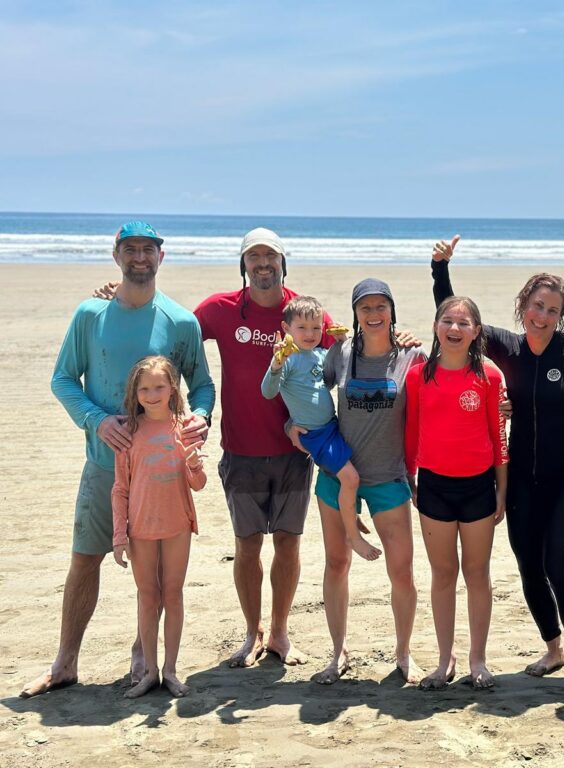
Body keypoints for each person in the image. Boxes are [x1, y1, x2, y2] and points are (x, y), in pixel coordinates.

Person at [22, 221, 214, 698]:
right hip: (103, 467)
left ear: (161, 257)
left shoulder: (181, 321)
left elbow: (202, 385)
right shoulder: (90, 314)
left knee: (159, 578)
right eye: (131, 249)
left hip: (162, 476)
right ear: (116, 256)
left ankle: (143, 656)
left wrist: (201, 417)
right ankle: (65, 662)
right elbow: (63, 379)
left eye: (148, 249)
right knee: (85, 560)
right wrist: (97, 420)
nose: (140, 258)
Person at [431, 236, 564, 699]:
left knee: (559, 567)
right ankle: (553, 649)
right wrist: (440, 268)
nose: (542, 315)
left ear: (561, 316)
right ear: (524, 304)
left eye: (552, 310)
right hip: (523, 476)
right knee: (529, 566)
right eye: (537, 305)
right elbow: (455, 319)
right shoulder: (506, 347)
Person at [193, 228, 337, 668]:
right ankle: (251, 632)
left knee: (289, 544)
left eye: (270, 256)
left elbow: (353, 352)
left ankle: (279, 632)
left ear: (282, 263)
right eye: (253, 256)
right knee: (248, 545)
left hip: (295, 452)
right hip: (241, 451)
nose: (262, 264)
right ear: (243, 264)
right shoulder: (220, 310)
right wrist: (117, 299)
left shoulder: (304, 313)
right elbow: (174, 334)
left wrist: (398, 338)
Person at [292, 279, 425, 685]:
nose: (373, 314)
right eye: (365, 307)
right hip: (338, 474)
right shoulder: (341, 352)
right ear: (355, 313)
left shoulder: (412, 355)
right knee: (336, 563)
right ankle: (338, 653)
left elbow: (440, 398)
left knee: (401, 572)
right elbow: (307, 391)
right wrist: (291, 428)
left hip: (388, 478)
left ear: (392, 310)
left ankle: (404, 654)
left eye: (381, 306)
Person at [405, 296, 508, 690]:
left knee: (477, 573)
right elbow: (410, 431)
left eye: (464, 323)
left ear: (476, 332)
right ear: (436, 326)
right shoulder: (418, 376)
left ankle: (477, 659)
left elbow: (499, 438)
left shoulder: (489, 376)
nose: (455, 328)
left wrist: (502, 488)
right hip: (434, 486)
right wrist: (409, 475)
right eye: (447, 321)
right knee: (443, 573)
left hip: (479, 486)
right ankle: (444, 658)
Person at [112, 356, 207, 698]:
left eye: (159, 387)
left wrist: (193, 463)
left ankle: (170, 671)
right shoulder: (128, 432)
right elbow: (120, 488)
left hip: (177, 523)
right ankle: (150, 672)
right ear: (134, 393)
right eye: (144, 389)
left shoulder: (185, 426)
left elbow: (198, 484)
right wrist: (119, 535)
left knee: (173, 594)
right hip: (140, 528)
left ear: (172, 389)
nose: (152, 395)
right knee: (147, 597)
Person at [262, 296, 377, 560]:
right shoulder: (288, 359)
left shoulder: (320, 354)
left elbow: (338, 375)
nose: (310, 334)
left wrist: (341, 343)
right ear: (286, 328)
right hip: (315, 435)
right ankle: (353, 536)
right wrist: (276, 364)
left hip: (333, 426)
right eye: (302, 328)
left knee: (354, 470)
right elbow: (268, 391)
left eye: (316, 327)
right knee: (351, 478)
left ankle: (351, 515)